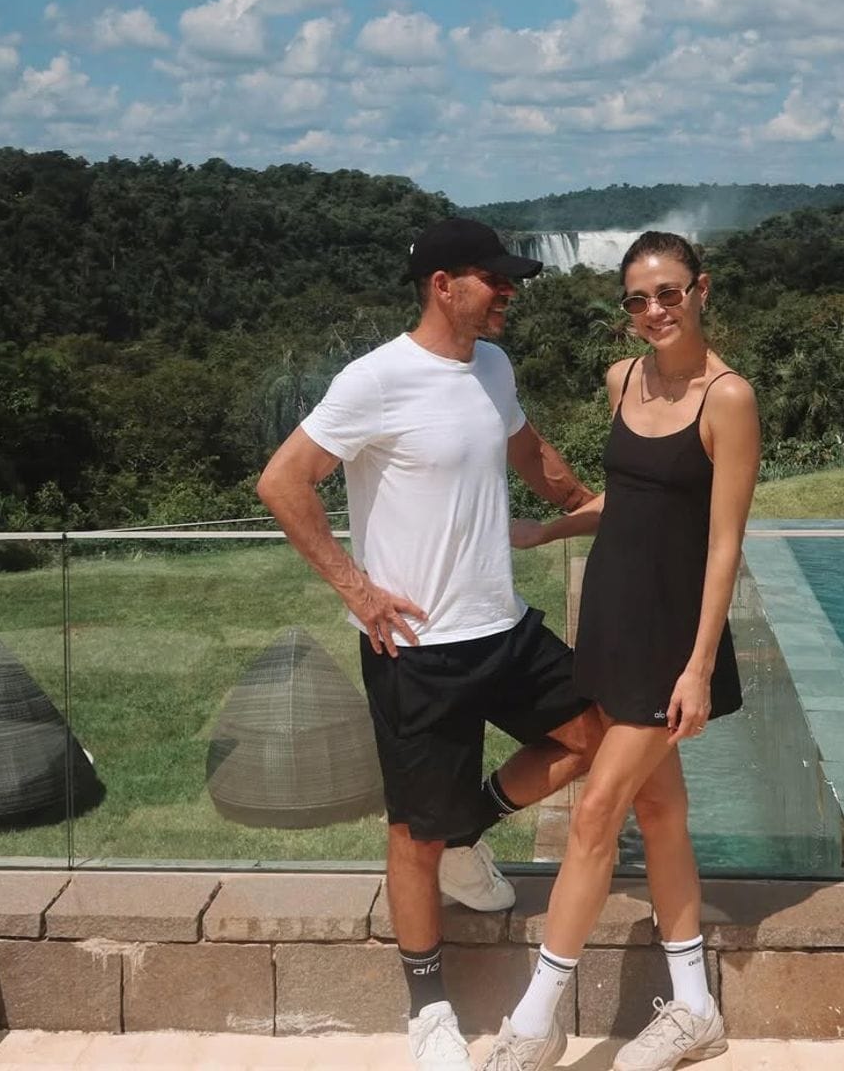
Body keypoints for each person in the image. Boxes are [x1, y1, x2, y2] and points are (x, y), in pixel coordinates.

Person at [256, 217, 602, 1071]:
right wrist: (357, 589)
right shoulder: (376, 380)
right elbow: (283, 480)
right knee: (413, 832)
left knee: (598, 733)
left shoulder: (493, 366)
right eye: (494, 278)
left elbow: (530, 452)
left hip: (503, 627)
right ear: (444, 286)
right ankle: (428, 1008)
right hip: (417, 649)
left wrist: (589, 505)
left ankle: (467, 830)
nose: (509, 290)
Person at [479, 231, 760, 1071]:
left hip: (671, 638)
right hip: (610, 621)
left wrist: (699, 667)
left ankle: (534, 1025)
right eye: (638, 299)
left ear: (701, 290)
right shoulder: (623, 379)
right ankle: (696, 1009)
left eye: (669, 293)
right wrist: (550, 529)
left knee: (596, 812)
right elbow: (630, 498)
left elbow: (724, 541)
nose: (654, 311)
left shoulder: (729, 398)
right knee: (660, 813)